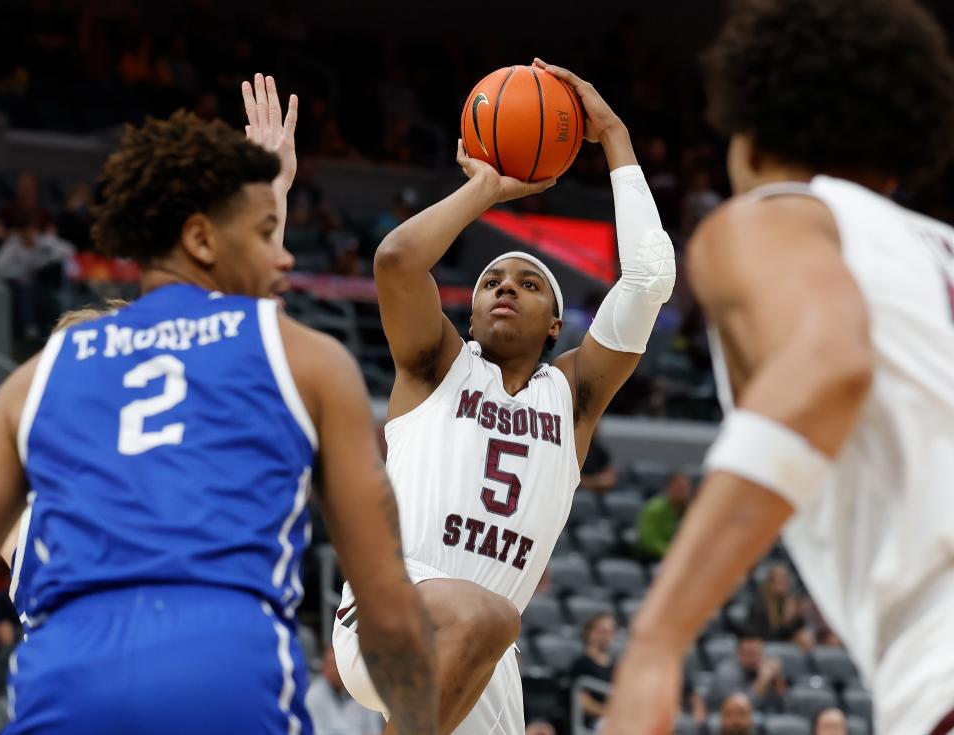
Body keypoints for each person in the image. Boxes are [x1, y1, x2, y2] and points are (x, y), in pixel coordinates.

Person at [0, 74, 437, 735]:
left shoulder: (32, 383)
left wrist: (264, 198)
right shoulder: (300, 357)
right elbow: (392, 616)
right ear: (203, 239)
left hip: (64, 677)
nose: (285, 257)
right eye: (265, 236)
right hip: (225, 662)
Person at [602, 1, 954, 734]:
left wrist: (656, 641)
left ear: (749, 140)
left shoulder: (770, 215)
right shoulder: (933, 247)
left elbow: (827, 364)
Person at [333, 57, 676, 735]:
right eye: (491, 281)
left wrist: (613, 136)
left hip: (483, 654)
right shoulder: (436, 366)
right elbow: (398, 261)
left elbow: (649, 276)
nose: (504, 287)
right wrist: (484, 190)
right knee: (489, 613)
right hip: (391, 605)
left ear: (557, 322)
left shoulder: (572, 394)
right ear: (468, 314)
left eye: (526, 281)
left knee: (490, 621)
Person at [305, 647, 384, 735]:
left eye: (341, 666)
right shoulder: (313, 695)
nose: (336, 671)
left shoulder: (366, 692)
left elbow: (374, 731)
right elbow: (314, 731)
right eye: (333, 666)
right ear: (324, 668)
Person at [710, 634, 785, 713]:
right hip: (724, 717)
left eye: (758, 654)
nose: (754, 659)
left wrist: (778, 681)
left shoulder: (766, 668)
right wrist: (762, 680)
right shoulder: (726, 673)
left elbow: (783, 705)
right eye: (749, 654)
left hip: (762, 714)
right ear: (738, 654)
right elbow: (740, 710)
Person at [571, 613, 618, 728]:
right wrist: (607, 712)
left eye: (610, 632)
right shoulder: (581, 664)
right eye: (603, 631)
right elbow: (583, 702)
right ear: (590, 633)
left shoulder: (615, 665)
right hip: (593, 722)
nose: (607, 636)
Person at [636, 472, 692, 561]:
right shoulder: (653, 509)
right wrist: (674, 553)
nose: (683, 491)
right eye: (679, 487)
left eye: (686, 487)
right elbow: (649, 541)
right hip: (654, 558)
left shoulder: (692, 511)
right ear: (669, 488)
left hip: (682, 558)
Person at [746, 564, 806, 643]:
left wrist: (794, 618)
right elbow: (765, 636)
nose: (781, 584)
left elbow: (793, 631)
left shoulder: (790, 602)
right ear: (769, 582)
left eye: (784, 580)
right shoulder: (759, 604)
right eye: (777, 580)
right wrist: (787, 620)